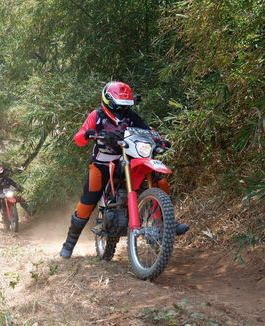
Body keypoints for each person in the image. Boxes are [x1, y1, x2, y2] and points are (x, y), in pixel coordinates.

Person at [59, 81, 189, 259]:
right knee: (89, 201)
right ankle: (69, 243)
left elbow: (147, 130)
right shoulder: (96, 116)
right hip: (102, 164)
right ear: (108, 101)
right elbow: (79, 138)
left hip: (128, 158)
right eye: (118, 106)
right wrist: (87, 134)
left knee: (160, 180)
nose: (121, 109)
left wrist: (159, 139)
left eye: (125, 106)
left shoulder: (131, 116)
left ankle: (166, 222)